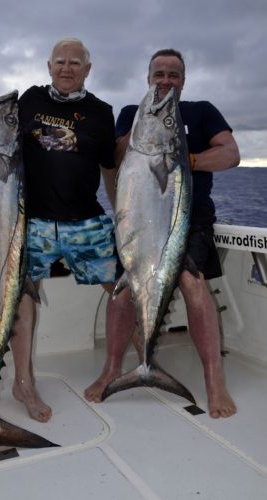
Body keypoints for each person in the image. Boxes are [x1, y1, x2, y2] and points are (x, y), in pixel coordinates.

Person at [85, 48, 239, 419]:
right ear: (148, 78)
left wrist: (186, 158)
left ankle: (213, 377)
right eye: (159, 74)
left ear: (183, 81)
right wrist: (141, 132)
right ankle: (113, 368)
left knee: (191, 280)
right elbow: (116, 159)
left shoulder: (202, 111)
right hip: (137, 220)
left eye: (174, 74)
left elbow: (231, 154)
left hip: (186, 217)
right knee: (123, 289)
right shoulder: (129, 113)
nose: (166, 80)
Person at [12, 37, 135, 422]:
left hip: (86, 221)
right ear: (49, 67)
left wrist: (123, 214)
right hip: (32, 221)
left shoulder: (101, 111)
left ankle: (120, 367)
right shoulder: (27, 101)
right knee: (21, 296)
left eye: (75, 63)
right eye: (60, 62)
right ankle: (24, 383)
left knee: (123, 288)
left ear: (88, 69)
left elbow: (109, 167)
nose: (67, 68)